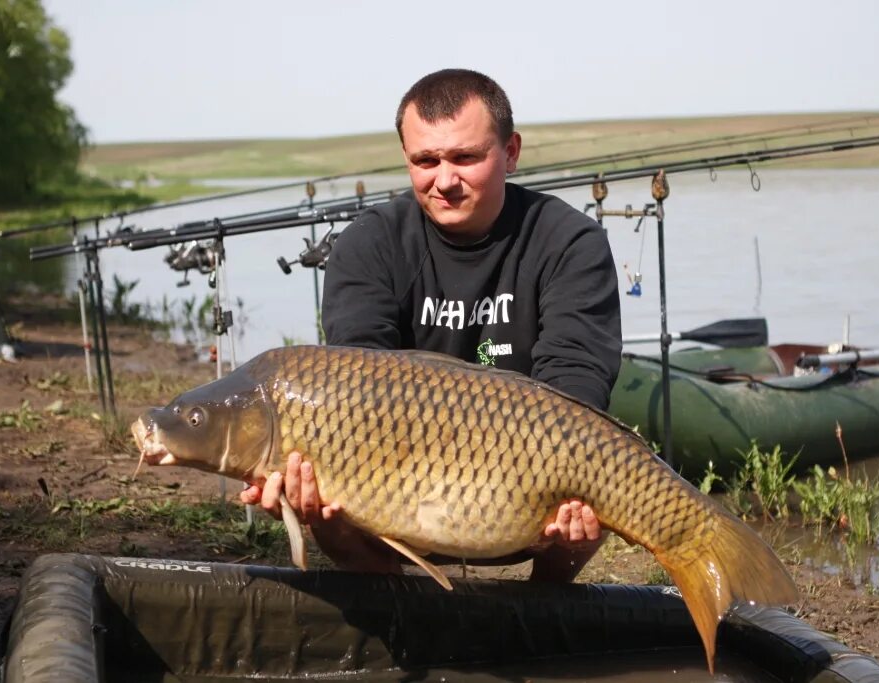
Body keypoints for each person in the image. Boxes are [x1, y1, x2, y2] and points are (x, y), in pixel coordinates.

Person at [242, 68, 622, 582]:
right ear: (407, 158)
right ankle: (395, 610)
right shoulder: (369, 243)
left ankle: (542, 608)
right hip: (394, 493)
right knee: (325, 496)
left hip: (527, 495)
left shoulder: (570, 241)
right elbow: (353, 385)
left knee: (596, 478)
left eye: (465, 158)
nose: (444, 180)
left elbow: (576, 385)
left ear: (510, 152)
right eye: (426, 161)